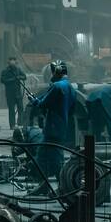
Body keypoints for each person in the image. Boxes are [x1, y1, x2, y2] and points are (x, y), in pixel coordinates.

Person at [27, 61, 77, 191]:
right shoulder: (70, 87)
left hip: (52, 128)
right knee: (46, 157)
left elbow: (43, 103)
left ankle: (63, 187)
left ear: (57, 71)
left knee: (52, 160)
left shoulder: (57, 86)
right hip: (61, 127)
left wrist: (33, 100)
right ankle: (45, 186)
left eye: (52, 71)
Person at [0, 57, 28, 129]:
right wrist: (13, 79)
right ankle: (12, 125)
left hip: (18, 93)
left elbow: (24, 77)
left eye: (14, 61)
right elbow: (2, 80)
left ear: (16, 62)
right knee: (11, 110)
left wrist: (19, 77)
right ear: (8, 62)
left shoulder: (18, 70)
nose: (13, 62)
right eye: (11, 61)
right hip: (10, 94)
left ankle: (20, 124)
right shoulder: (5, 71)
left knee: (20, 108)